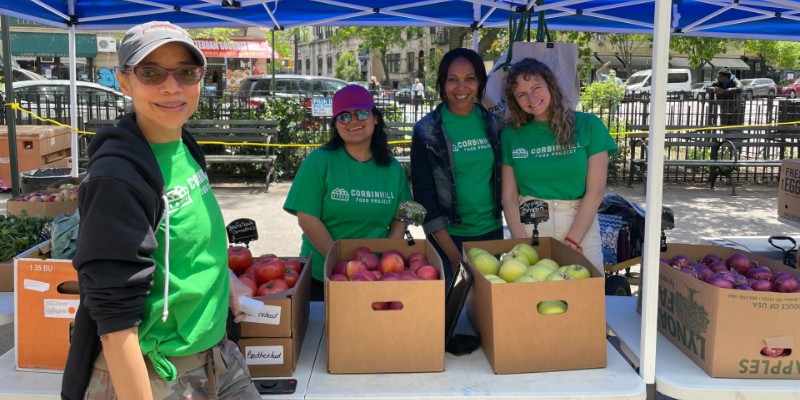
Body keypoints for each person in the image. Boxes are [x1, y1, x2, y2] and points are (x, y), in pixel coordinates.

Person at [61, 21, 260, 400]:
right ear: (124, 82)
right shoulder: (116, 179)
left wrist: (224, 280)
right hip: (156, 376)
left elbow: (188, 241)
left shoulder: (183, 143)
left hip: (215, 357)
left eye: (185, 73)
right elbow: (115, 321)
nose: (172, 87)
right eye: (151, 73)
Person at [283, 84, 411, 301]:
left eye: (361, 113)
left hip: (377, 277)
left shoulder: (392, 168)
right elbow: (307, 218)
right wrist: (341, 261)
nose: (353, 121)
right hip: (323, 276)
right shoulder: (319, 162)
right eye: (344, 116)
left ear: (375, 118)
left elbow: (403, 214)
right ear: (336, 124)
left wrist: (388, 254)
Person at [501, 58, 617, 271]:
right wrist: (519, 242)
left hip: (580, 225)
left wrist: (572, 241)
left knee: (586, 300)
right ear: (514, 100)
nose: (532, 98)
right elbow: (508, 196)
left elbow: (596, 190)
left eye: (536, 88)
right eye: (521, 94)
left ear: (550, 85)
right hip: (530, 228)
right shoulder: (511, 135)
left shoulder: (589, 126)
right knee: (530, 300)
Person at [410, 48, 503, 284]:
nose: (461, 88)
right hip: (448, 239)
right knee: (451, 314)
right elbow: (424, 196)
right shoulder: (425, 131)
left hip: (491, 234)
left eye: (470, 79)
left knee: (489, 313)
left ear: (480, 82)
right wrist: (453, 255)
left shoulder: (494, 125)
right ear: (442, 83)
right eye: (452, 80)